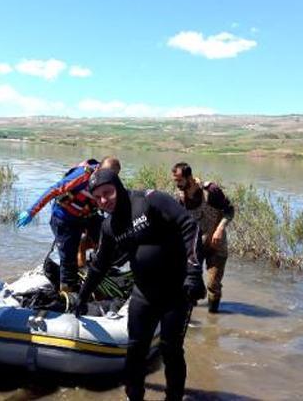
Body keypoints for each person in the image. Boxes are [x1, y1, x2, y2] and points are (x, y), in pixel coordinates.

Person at [75, 169, 206, 401]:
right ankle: (134, 397)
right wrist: (83, 296)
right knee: (135, 351)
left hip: (176, 292)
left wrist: (194, 273)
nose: (104, 201)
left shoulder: (150, 200)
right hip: (143, 294)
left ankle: (173, 398)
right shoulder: (109, 226)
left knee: (171, 350)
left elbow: (190, 226)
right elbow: (99, 266)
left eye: (108, 193)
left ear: (118, 186)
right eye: (98, 198)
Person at [16, 156, 121, 292]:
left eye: (110, 177)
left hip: (88, 216)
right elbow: (54, 190)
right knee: (68, 259)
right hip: (65, 218)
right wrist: (31, 211)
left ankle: (85, 249)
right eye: (104, 174)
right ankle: (67, 291)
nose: (105, 179)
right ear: (98, 169)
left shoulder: (112, 183)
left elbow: (121, 202)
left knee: (111, 240)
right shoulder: (83, 175)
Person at [171, 162, 234, 313]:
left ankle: (213, 317)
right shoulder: (180, 199)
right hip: (195, 247)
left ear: (190, 178)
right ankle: (190, 320)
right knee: (190, 284)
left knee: (213, 284)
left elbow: (230, 211)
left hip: (216, 246)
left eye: (179, 180)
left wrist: (219, 229)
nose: (177, 184)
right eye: (175, 181)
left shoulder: (211, 191)